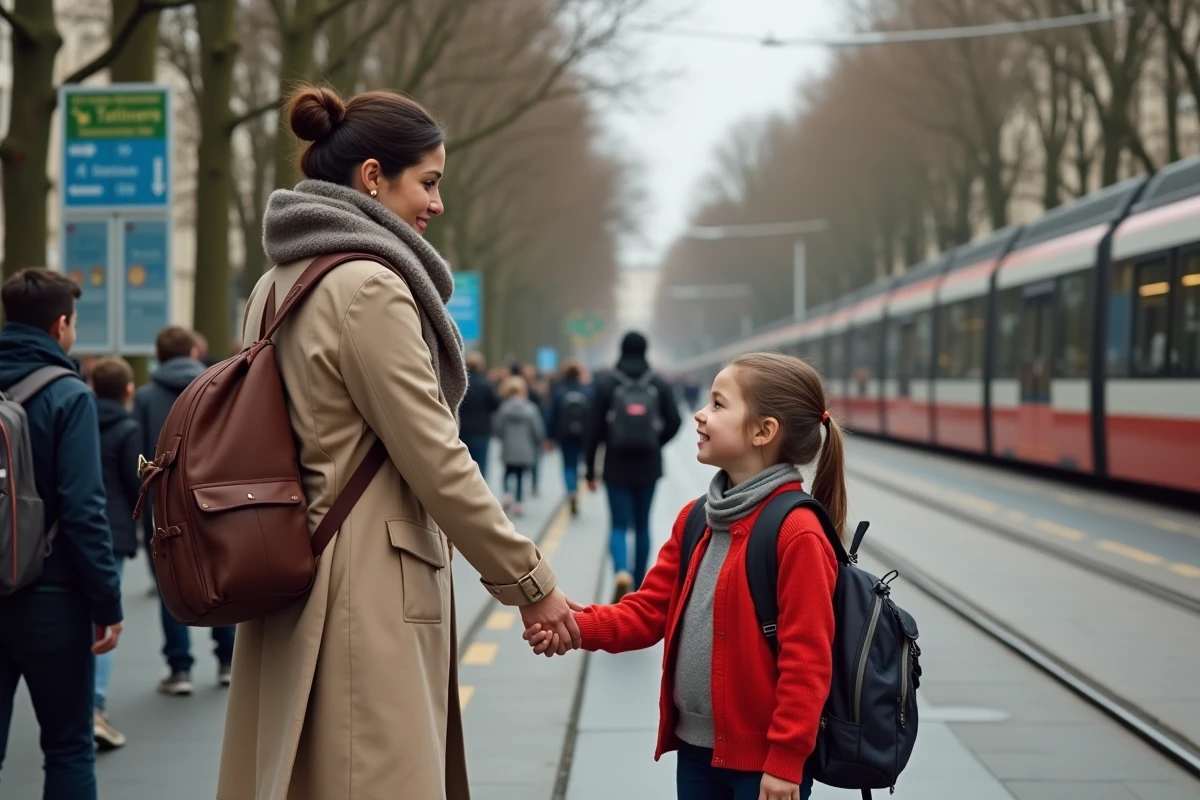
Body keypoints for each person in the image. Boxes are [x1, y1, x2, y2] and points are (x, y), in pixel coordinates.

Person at [219, 84, 580, 800]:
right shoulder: (369, 288)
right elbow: (435, 457)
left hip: (290, 565)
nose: (437, 204)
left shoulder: (273, 285)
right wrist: (529, 582)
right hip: (365, 587)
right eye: (428, 182)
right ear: (373, 178)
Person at [528, 353, 843, 800]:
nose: (699, 414)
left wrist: (786, 761)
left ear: (763, 431)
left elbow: (807, 661)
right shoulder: (696, 519)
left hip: (765, 767)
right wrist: (574, 626)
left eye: (717, 404)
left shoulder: (797, 533)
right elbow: (648, 612)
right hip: (696, 754)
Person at [0, 269, 124, 800]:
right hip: (52, 594)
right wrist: (106, 602)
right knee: (68, 748)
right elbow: (83, 510)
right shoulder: (68, 394)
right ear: (59, 326)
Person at [134, 325, 234, 695]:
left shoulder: (145, 396)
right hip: (214, 497)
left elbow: (139, 451)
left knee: (172, 581)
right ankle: (227, 661)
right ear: (194, 353)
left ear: (158, 356)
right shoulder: (216, 387)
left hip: (164, 502)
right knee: (221, 578)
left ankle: (180, 670)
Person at [585, 331, 682, 600]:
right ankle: (638, 586)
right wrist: (656, 442)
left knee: (618, 524)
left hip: (616, 464)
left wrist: (590, 470)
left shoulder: (607, 383)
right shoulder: (658, 383)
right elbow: (675, 421)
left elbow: (592, 430)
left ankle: (621, 572)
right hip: (648, 465)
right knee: (642, 525)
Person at [89, 357, 143, 751]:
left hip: (73, 530)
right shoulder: (128, 429)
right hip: (115, 531)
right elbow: (134, 483)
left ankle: (79, 700)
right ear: (128, 390)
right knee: (107, 619)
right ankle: (95, 704)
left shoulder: (76, 418)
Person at [494, 376, 546, 517]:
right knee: (520, 476)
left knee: (507, 472)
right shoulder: (531, 408)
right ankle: (518, 503)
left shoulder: (504, 408)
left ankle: (506, 494)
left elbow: (498, 428)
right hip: (525, 448)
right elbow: (537, 429)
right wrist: (538, 441)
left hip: (508, 447)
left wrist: (504, 438)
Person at [545, 360, 591, 516]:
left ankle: (571, 490)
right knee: (577, 462)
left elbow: (552, 415)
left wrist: (549, 437)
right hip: (583, 434)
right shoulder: (587, 391)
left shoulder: (559, 391)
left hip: (564, 434)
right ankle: (576, 487)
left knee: (567, 464)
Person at [459, 351, 500, 480]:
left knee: (463, 463)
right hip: (481, 431)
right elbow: (495, 405)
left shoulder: (460, 384)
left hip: (462, 429)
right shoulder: (486, 385)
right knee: (480, 464)